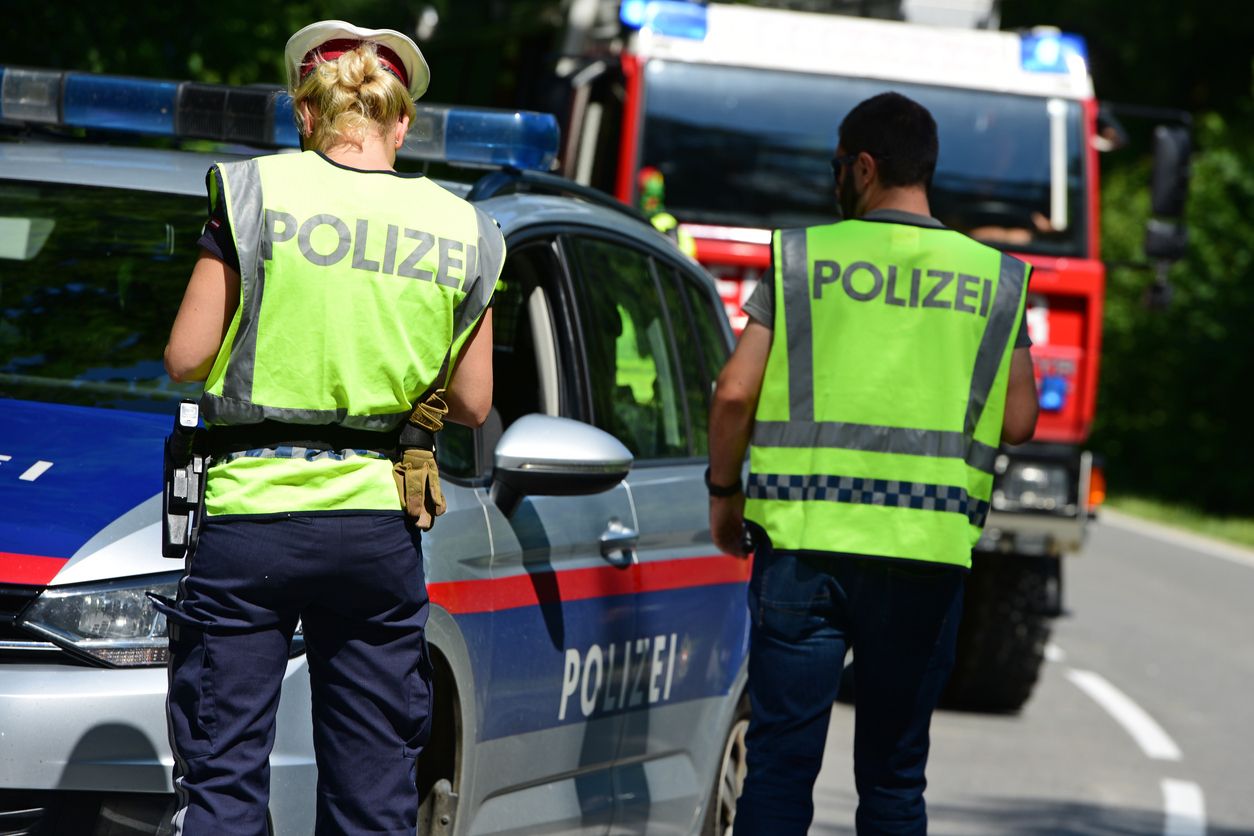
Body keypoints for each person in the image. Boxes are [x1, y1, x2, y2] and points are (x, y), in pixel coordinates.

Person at [159, 20, 504, 835]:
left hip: (250, 519)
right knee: (372, 790)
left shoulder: (254, 193)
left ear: (304, 113)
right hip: (378, 526)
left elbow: (185, 355)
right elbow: (478, 402)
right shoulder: (465, 227)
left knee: (224, 778)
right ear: (402, 120)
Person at [706, 92, 1038, 835]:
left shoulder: (802, 258)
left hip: (803, 551)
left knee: (781, 768)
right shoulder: (997, 278)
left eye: (837, 167)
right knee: (893, 777)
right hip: (926, 557)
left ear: (863, 166)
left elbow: (734, 393)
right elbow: (1018, 420)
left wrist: (724, 492)